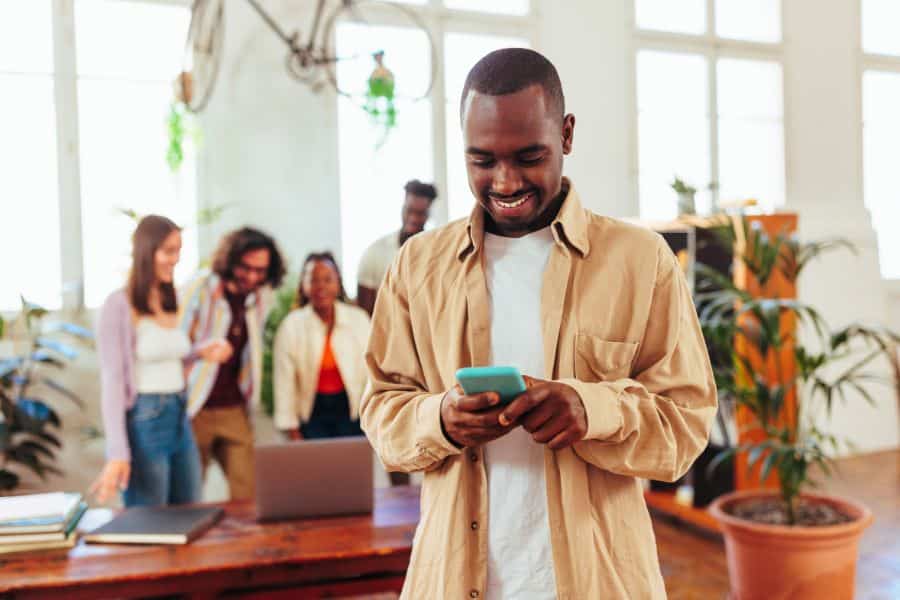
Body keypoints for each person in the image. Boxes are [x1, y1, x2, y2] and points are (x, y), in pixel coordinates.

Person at [360, 48, 717, 599]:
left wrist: (592, 409)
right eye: (482, 161)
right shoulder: (417, 265)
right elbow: (382, 409)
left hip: (601, 582)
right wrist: (442, 419)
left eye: (529, 157)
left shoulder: (640, 261)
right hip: (453, 581)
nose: (505, 182)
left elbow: (686, 426)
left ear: (567, 134)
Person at [93, 215, 209, 507]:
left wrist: (200, 352)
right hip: (147, 418)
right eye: (169, 251)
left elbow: (168, 358)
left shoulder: (170, 299)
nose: (175, 260)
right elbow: (113, 379)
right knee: (150, 520)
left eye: (178, 251)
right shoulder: (118, 305)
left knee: (189, 510)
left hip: (179, 413)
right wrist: (118, 452)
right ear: (147, 252)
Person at [179, 227, 286, 501]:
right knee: (188, 499)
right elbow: (176, 346)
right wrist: (202, 350)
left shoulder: (260, 298)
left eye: (260, 270)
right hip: (195, 407)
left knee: (249, 496)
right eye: (245, 268)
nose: (252, 277)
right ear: (230, 261)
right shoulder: (199, 288)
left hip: (234, 409)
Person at [273, 252, 371, 440]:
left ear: (338, 282)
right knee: (316, 468)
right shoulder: (291, 326)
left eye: (327, 279)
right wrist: (291, 430)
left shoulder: (359, 320)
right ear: (303, 285)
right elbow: (284, 383)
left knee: (350, 468)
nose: (321, 286)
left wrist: (374, 418)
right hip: (312, 414)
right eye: (314, 280)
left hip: (352, 412)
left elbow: (372, 373)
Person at [356, 179, 437, 316]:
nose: (413, 219)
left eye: (420, 213)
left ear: (428, 215)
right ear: (402, 207)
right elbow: (365, 314)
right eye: (409, 211)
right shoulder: (375, 253)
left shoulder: (437, 253)